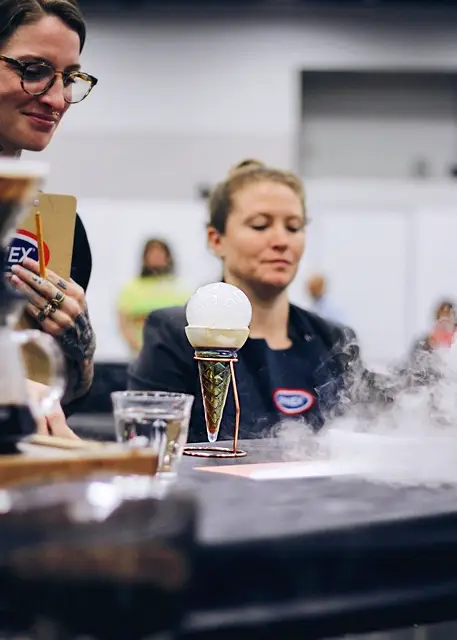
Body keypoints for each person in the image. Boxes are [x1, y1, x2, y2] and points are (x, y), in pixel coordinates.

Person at [129, 160, 393, 442]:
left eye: (293, 227)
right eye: (260, 225)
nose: (281, 241)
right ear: (216, 239)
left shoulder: (334, 340)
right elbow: (152, 452)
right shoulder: (176, 334)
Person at [0, 0, 98, 437]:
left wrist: (78, 344)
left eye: (70, 78)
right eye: (34, 69)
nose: (58, 99)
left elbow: (67, 396)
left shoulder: (58, 225)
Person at [117, 238, 190, 355]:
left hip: (172, 355)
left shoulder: (180, 288)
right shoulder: (131, 288)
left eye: (160, 253)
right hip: (140, 354)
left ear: (167, 257)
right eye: (152, 253)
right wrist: (138, 347)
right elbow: (124, 323)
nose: (156, 257)